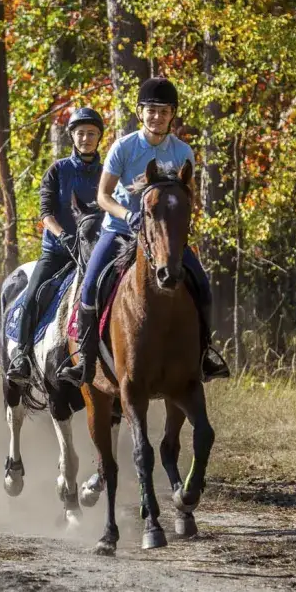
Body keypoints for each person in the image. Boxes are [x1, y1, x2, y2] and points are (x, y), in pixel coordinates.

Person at [57, 76, 230, 387]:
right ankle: (84, 359)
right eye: (151, 110)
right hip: (121, 230)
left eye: (164, 112)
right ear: (140, 112)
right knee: (90, 285)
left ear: (172, 115)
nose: (157, 117)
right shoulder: (123, 148)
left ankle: (204, 356)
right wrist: (129, 215)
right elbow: (102, 196)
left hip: (162, 237)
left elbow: (187, 198)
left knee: (201, 284)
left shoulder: (182, 152)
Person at [7, 107, 104, 382]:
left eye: (92, 134)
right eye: (81, 133)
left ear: (99, 138)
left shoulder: (108, 172)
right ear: (72, 136)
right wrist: (63, 235)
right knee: (33, 295)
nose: (86, 138)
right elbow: (46, 213)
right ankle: (22, 356)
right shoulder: (57, 170)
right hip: (59, 251)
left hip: (95, 253)